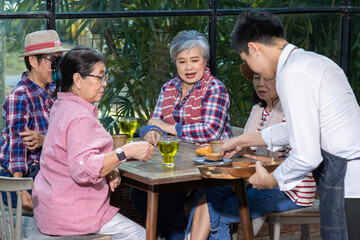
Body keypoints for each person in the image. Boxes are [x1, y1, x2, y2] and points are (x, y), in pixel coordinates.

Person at [221, 9, 360, 240]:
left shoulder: (292, 74)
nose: (255, 71)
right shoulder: (314, 62)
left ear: (254, 48)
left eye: (246, 60)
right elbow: (304, 126)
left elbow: (307, 155)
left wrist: (271, 180)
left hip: (346, 181)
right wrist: (245, 139)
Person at [32, 46, 155, 239]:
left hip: (50, 211)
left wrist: (109, 168)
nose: (104, 83)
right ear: (78, 80)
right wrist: (125, 152)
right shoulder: (80, 116)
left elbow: (76, 154)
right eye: (100, 77)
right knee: (145, 236)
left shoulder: (62, 105)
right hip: (74, 215)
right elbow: (82, 170)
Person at [186, 63, 316, 240]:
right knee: (209, 191)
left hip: (289, 189)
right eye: (256, 77)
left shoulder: (292, 112)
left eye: (268, 78)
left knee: (218, 211)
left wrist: (253, 157)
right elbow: (250, 150)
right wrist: (240, 150)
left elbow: (298, 161)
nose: (261, 84)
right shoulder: (258, 110)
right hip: (254, 179)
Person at [132, 30, 232, 240]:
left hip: (210, 170)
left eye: (195, 60)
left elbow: (210, 131)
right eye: (182, 61)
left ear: (205, 60)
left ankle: (178, 235)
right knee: (140, 193)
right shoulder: (168, 87)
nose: (188, 67)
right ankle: (176, 235)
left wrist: (169, 128)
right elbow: (154, 122)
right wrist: (152, 130)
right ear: (175, 63)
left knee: (165, 199)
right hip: (175, 167)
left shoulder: (215, 88)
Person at [0, 30, 68, 211]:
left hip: (51, 172)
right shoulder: (20, 97)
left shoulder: (56, 92)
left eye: (59, 60)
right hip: (25, 176)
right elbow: (17, 145)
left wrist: (45, 139)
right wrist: (21, 190)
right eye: (52, 60)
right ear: (32, 61)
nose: (56, 67)